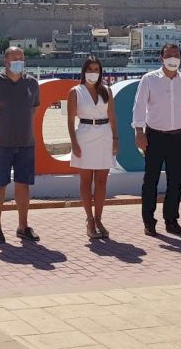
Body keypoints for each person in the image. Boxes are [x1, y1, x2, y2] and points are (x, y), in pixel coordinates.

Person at [131, 43, 181, 237]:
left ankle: (171, 221)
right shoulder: (149, 79)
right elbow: (139, 106)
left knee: (176, 182)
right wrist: (139, 132)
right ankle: (149, 222)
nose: (173, 58)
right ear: (161, 58)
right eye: (169, 55)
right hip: (154, 136)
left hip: (178, 137)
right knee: (151, 181)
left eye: (176, 55)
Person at [0, 47, 41, 244]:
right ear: (5, 61)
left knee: (23, 185)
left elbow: (34, 108)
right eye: (15, 58)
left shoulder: (32, 83)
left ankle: (23, 227)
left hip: (26, 143)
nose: (18, 61)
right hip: (1, 144)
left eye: (21, 58)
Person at [67, 56, 118, 239]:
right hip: (85, 135)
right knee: (86, 180)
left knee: (102, 181)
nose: (93, 73)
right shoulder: (75, 92)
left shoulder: (107, 91)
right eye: (90, 69)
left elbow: (112, 117)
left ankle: (98, 219)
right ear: (84, 71)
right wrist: (74, 143)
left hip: (104, 135)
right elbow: (70, 120)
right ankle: (89, 219)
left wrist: (116, 139)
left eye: (96, 69)